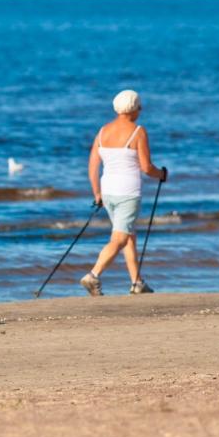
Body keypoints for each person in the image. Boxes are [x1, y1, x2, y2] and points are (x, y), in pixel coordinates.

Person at [80, 89, 168, 297]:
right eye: (139, 106)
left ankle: (136, 282)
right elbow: (147, 168)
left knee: (128, 235)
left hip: (108, 192)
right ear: (134, 108)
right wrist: (162, 174)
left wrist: (97, 193)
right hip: (127, 193)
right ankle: (93, 275)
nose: (141, 109)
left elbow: (92, 166)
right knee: (120, 238)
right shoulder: (138, 131)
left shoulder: (103, 132)